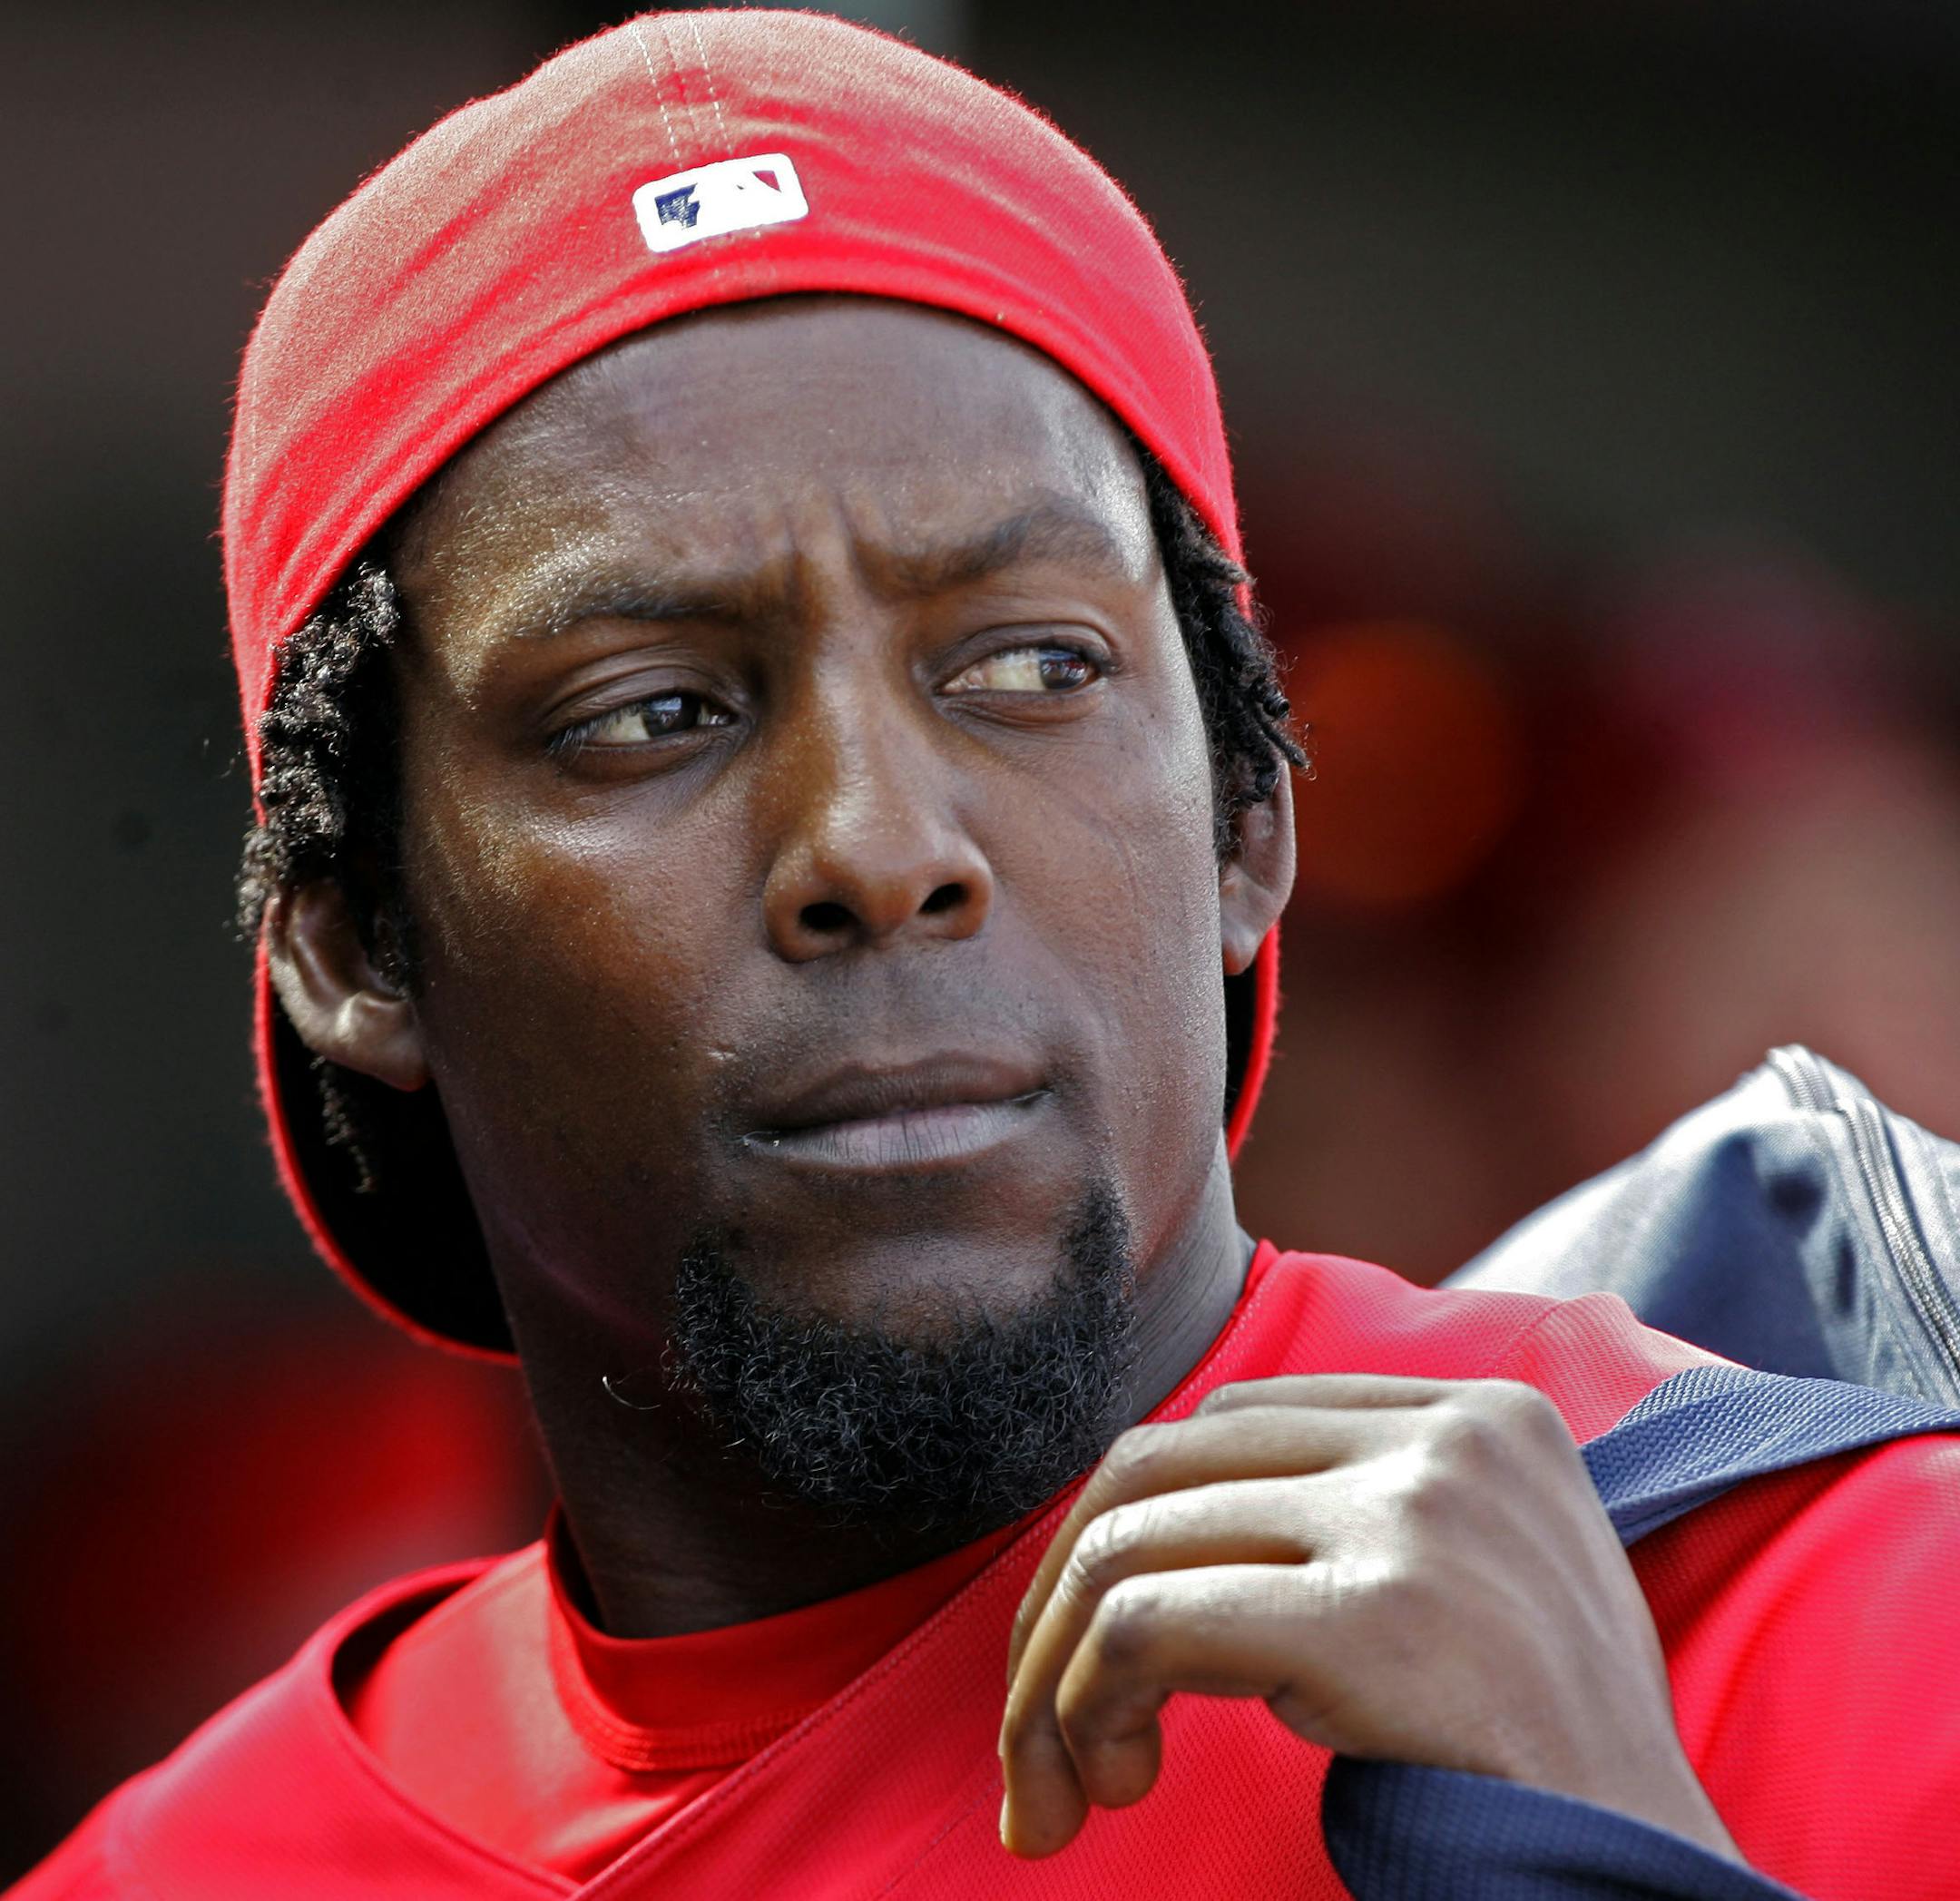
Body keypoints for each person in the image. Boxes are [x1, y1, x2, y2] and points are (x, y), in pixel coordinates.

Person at [15, 15, 1960, 1898]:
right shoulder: (182, 1873)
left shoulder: (1828, 1616)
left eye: (1032, 667)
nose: (877, 845)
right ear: (356, 942)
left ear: (1246, 822)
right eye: (651, 711)